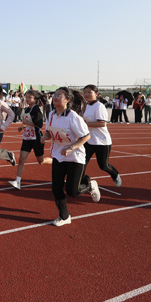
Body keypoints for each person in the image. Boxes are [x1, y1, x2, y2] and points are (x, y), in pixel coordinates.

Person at [42, 87, 100, 227]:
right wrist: (45, 137)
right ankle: (64, 216)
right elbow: (50, 132)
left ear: (67, 100)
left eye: (59, 95)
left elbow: (86, 136)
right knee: (56, 188)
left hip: (75, 157)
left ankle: (90, 184)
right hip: (58, 155)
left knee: (72, 191)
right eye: (54, 95)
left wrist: (71, 147)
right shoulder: (51, 115)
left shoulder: (73, 117)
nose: (55, 97)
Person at [8, 90, 51, 190]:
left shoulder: (37, 110)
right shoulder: (27, 109)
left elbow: (39, 124)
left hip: (36, 138)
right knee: (22, 159)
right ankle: (17, 181)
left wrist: (27, 124)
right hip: (27, 138)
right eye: (26, 97)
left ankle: (56, 162)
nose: (27, 99)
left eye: (29, 98)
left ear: (35, 99)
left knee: (41, 161)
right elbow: (29, 122)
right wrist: (23, 127)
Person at [81, 85, 122, 187]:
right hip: (89, 140)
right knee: (81, 162)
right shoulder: (85, 106)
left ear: (96, 94)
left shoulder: (99, 106)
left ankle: (115, 174)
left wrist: (85, 124)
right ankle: (82, 182)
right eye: (85, 92)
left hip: (102, 141)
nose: (86, 94)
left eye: (89, 92)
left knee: (103, 165)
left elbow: (102, 124)